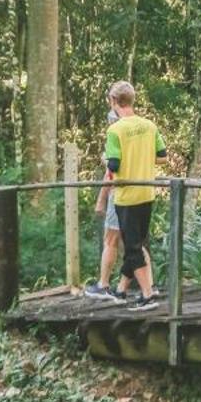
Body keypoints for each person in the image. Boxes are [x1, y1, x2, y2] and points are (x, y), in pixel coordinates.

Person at [101, 81, 163, 311]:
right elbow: (163, 156)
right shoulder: (149, 125)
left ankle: (147, 295)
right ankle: (121, 290)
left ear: (114, 102)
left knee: (133, 248)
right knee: (137, 243)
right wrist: (142, 158)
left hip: (126, 196)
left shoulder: (114, 130)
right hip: (147, 192)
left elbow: (114, 165)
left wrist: (106, 160)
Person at [87, 97, 126, 299]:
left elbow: (111, 173)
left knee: (111, 239)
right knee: (133, 242)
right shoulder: (135, 136)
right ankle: (145, 287)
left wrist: (101, 199)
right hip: (137, 195)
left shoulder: (116, 138)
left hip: (120, 195)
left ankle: (103, 284)